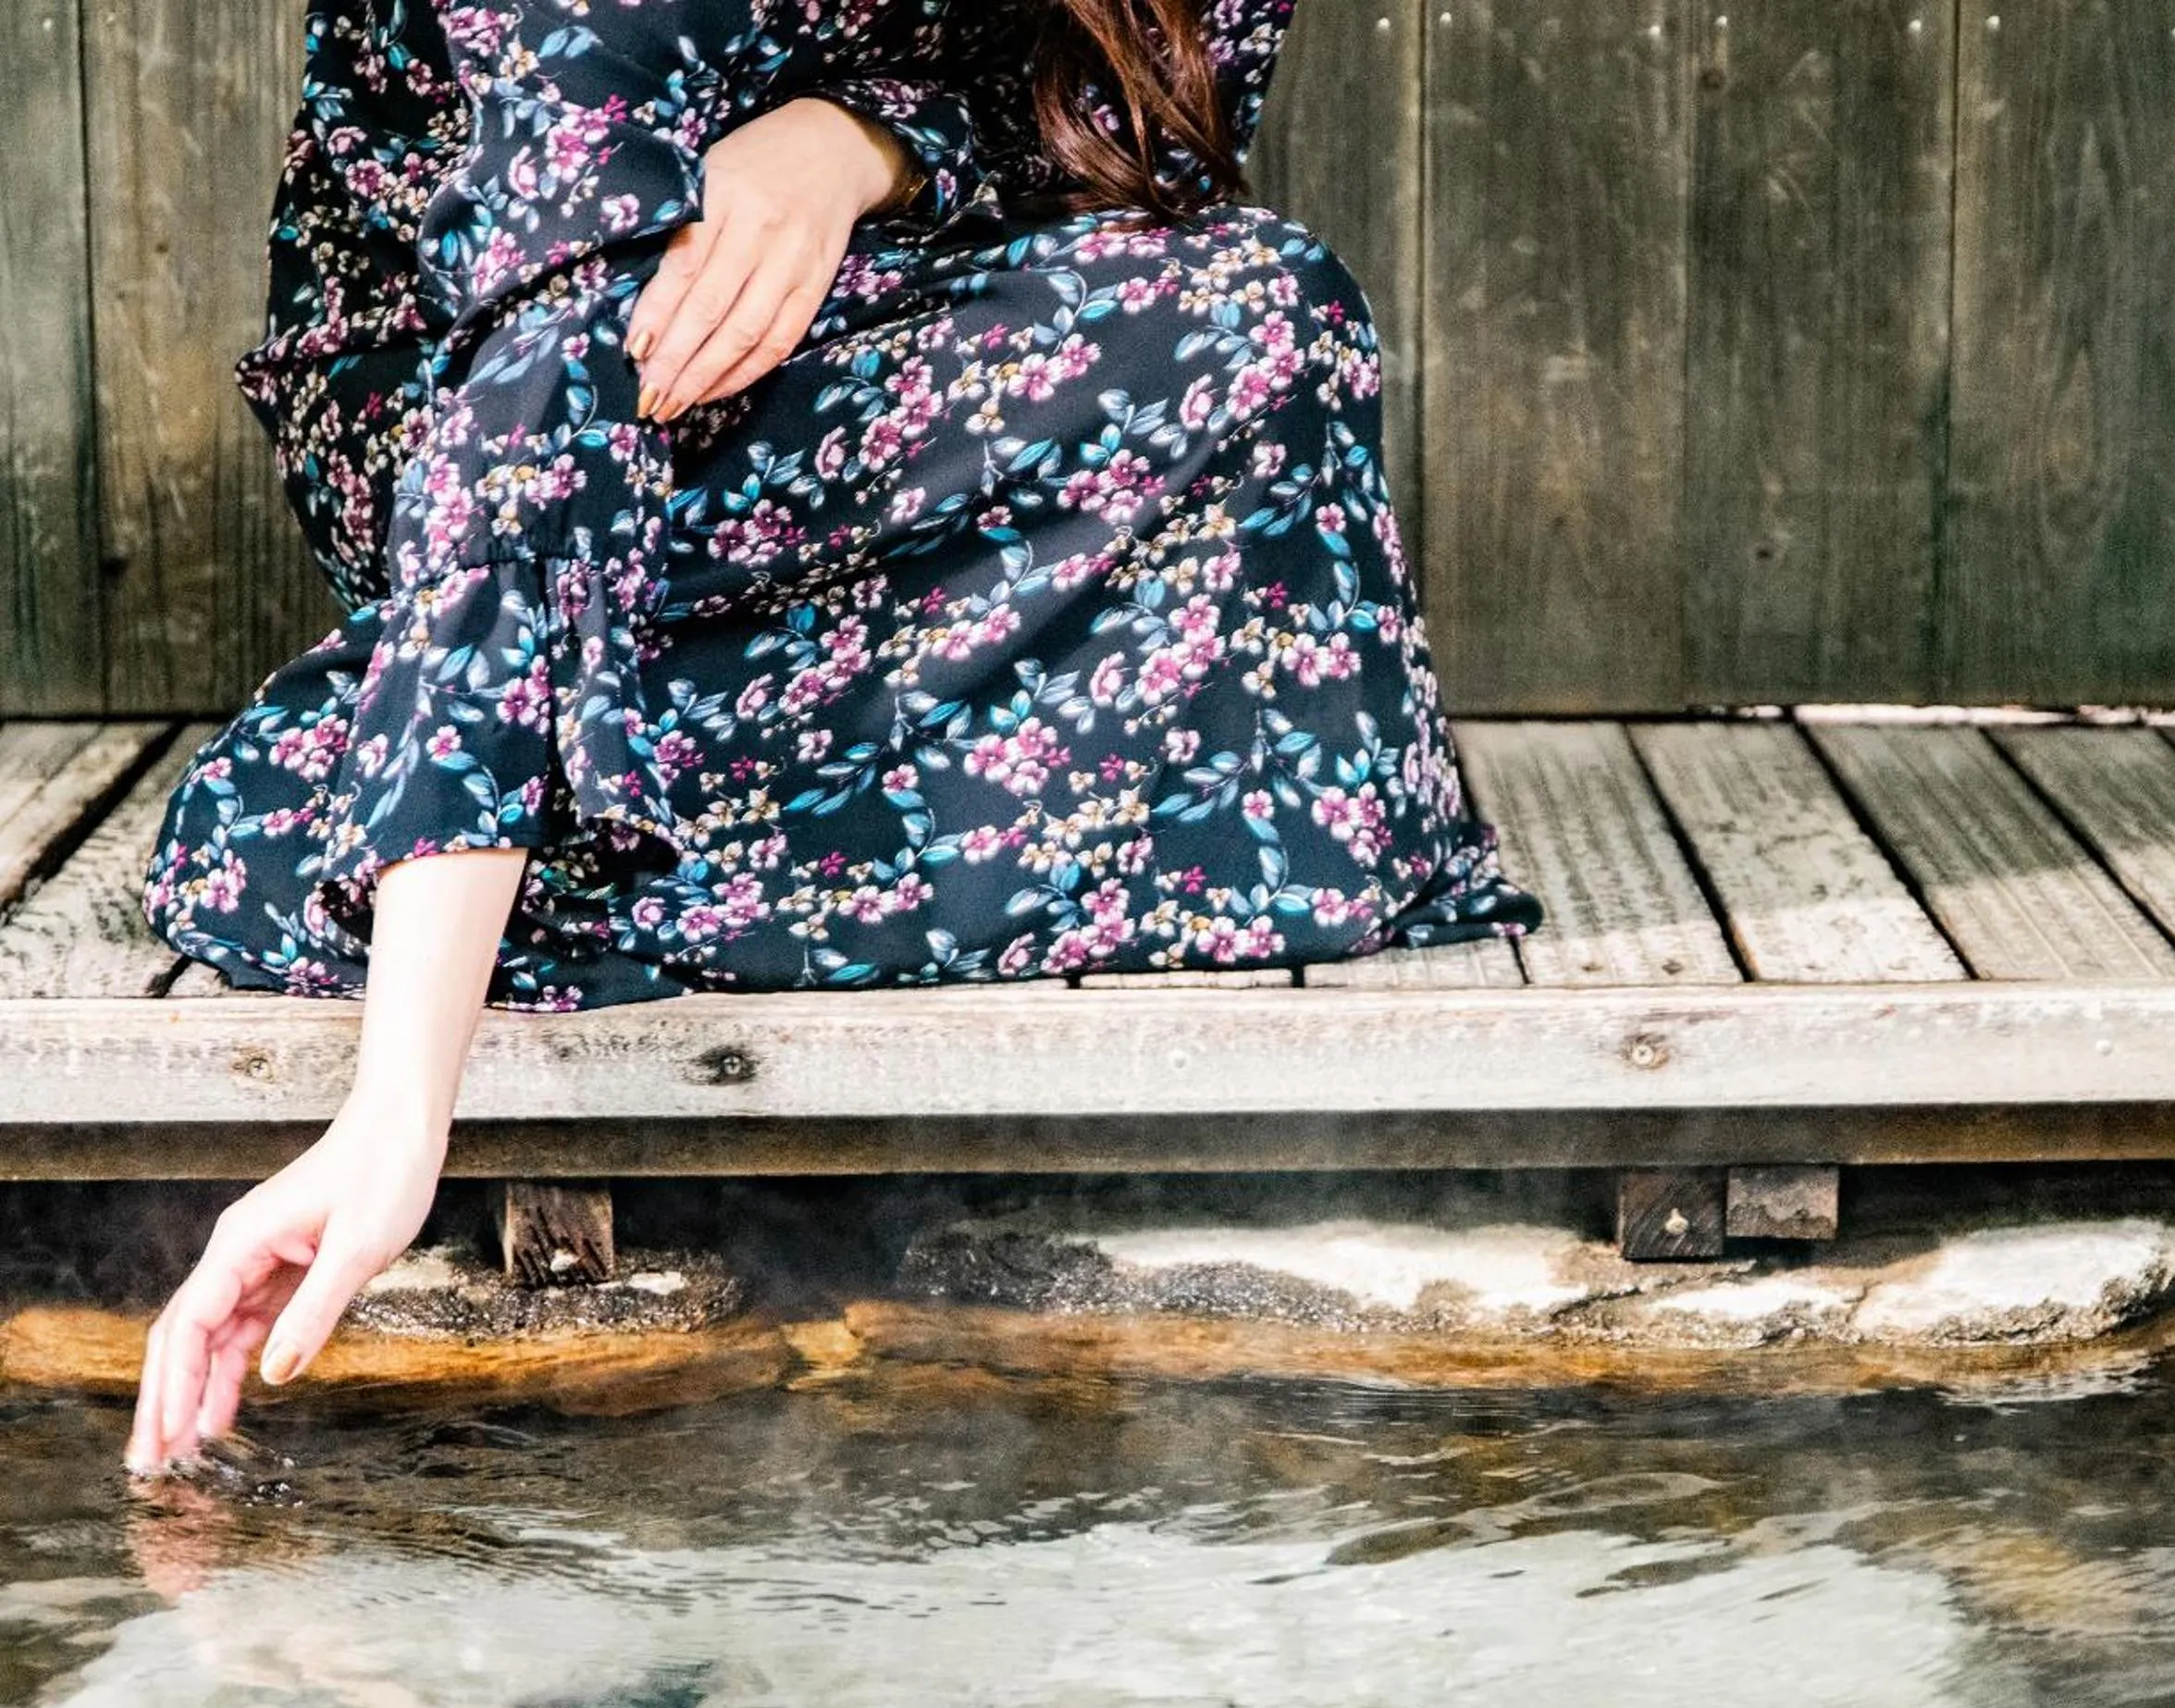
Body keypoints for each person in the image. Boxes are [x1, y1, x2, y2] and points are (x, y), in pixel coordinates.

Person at [123, 0, 1542, 1475]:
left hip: (873, 294)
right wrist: (398, 1108)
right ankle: (452, 793)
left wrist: (859, 148)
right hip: (494, 379)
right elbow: (535, 382)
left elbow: (1126, 140)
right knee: (522, 541)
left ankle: (603, 772)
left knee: (1271, 310)